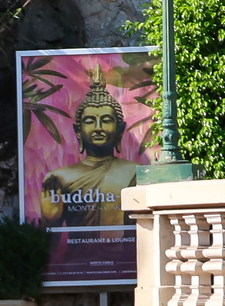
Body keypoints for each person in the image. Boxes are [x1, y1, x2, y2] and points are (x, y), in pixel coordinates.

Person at [38, 80, 146, 228]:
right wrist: (51, 220)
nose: (98, 128)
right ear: (78, 131)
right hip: (76, 251)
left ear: (120, 130)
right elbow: (47, 247)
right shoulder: (58, 178)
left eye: (106, 120)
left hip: (125, 251)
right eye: (90, 121)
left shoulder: (135, 172)